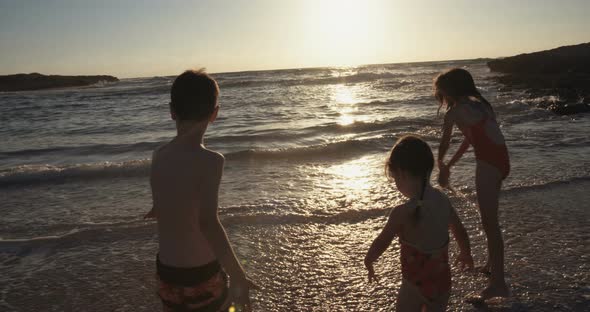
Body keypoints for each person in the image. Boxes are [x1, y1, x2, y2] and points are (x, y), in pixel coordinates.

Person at [145, 69, 257, 311]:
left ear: (172, 110)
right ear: (214, 114)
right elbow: (208, 222)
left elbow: (159, 203)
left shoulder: (159, 155)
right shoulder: (211, 161)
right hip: (201, 273)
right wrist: (237, 275)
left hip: (167, 272)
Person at [364, 135, 473, 311]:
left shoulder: (401, 213)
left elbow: (382, 241)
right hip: (441, 282)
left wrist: (369, 259)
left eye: (396, 179)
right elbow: (459, 230)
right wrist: (465, 253)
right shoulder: (443, 201)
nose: (396, 184)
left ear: (403, 174)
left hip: (414, 284)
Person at [434, 68, 510, 300]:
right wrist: (451, 165)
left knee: (490, 225)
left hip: (487, 165)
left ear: (450, 89)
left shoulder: (455, 113)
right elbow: (471, 139)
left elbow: (444, 143)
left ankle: (498, 284)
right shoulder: (481, 105)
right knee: (490, 221)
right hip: (501, 162)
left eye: (441, 90)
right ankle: (491, 265)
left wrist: (442, 165)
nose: (440, 95)